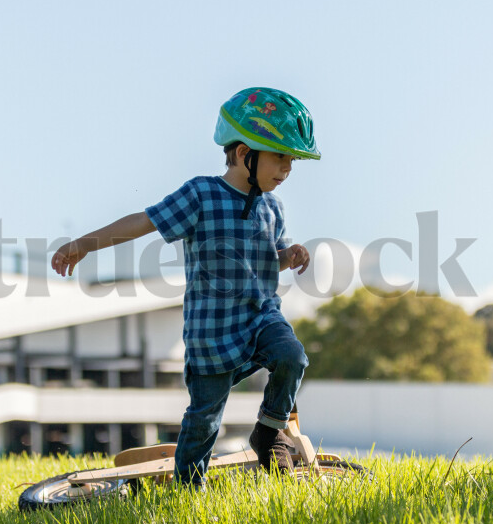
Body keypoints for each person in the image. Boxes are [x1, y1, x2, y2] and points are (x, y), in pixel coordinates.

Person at [51, 87, 321, 488]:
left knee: (292, 357)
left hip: (261, 314)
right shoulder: (202, 194)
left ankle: (269, 431)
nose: (287, 168)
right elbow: (144, 221)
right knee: (204, 418)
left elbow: (266, 260)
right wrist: (85, 244)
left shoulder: (273, 207)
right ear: (246, 154)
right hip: (213, 329)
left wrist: (289, 255)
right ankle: (187, 487)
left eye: (291, 160)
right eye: (280, 156)